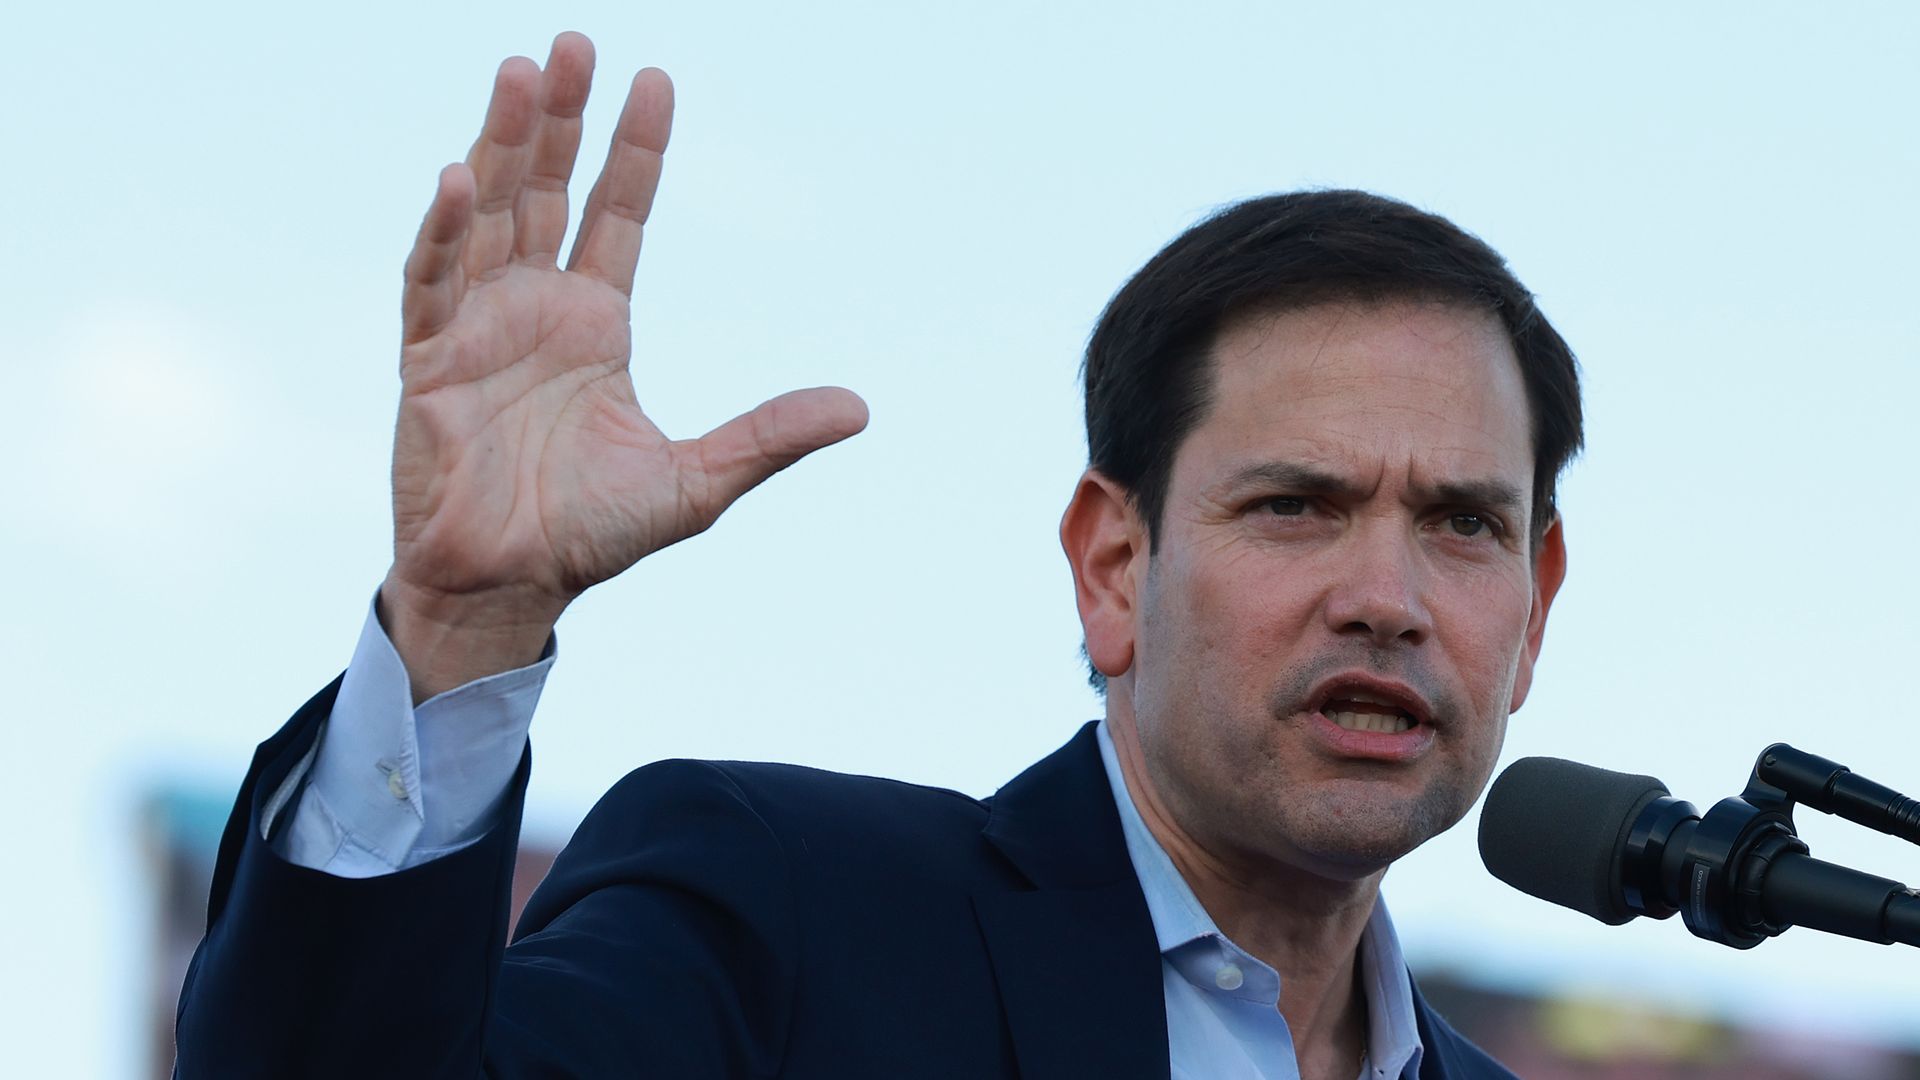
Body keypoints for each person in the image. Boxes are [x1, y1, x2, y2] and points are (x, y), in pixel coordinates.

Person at [174, 31, 1576, 1080]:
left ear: (1537, 605)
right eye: (1297, 506)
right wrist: (461, 628)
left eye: (1464, 524)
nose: (1386, 599)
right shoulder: (789, 918)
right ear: (1110, 567)